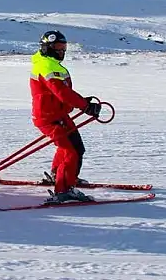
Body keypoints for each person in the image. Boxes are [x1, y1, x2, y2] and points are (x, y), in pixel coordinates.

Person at [29, 30, 101, 203]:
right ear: (46, 47)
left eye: (63, 48)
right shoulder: (46, 66)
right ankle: (63, 189)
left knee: (75, 148)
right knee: (71, 152)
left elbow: (63, 93)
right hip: (50, 117)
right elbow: (61, 92)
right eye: (57, 47)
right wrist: (84, 106)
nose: (61, 52)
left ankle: (59, 176)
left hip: (58, 114)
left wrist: (82, 102)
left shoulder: (49, 63)